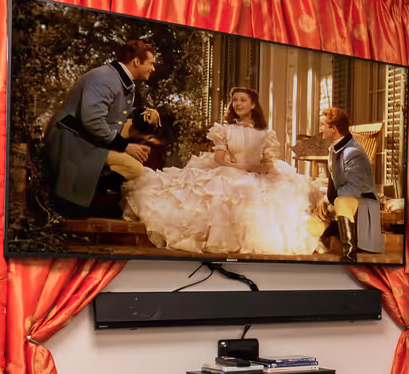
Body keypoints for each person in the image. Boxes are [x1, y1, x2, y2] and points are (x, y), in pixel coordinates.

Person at [122, 87, 324, 256]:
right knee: (224, 186)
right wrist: (238, 168)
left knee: (274, 192)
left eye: (243, 100)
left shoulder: (266, 133)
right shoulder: (225, 130)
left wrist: (254, 169)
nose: (237, 104)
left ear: (253, 104)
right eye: (235, 100)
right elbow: (219, 159)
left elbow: (269, 163)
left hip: (257, 172)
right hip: (229, 168)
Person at [43, 40, 162, 216]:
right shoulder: (105, 79)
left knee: (137, 169)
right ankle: (97, 193)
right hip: (74, 141)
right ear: (137, 61)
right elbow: (92, 121)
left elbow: (113, 120)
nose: (153, 69)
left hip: (90, 140)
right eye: (151, 63)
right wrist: (126, 146)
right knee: (135, 170)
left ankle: (97, 194)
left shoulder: (120, 81)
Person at [319, 106, 382, 258]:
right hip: (346, 197)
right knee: (315, 205)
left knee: (341, 201)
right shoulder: (335, 148)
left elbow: (353, 189)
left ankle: (349, 253)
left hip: (361, 199)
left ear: (333, 128)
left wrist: (328, 199)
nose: (320, 129)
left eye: (322, 125)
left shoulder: (353, 152)